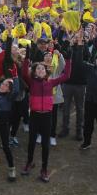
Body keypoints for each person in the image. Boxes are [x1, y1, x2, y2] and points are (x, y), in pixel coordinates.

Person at [21, 44, 72, 182]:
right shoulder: (31, 82)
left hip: (47, 116)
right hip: (35, 115)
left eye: (42, 68)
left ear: (46, 71)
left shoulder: (51, 83)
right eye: (38, 68)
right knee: (31, 141)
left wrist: (68, 59)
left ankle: (44, 168)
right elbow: (24, 73)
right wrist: (26, 57)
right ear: (35, 71)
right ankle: (29, 162)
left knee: (45, 143)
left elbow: (66, 75)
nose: (40, 70)